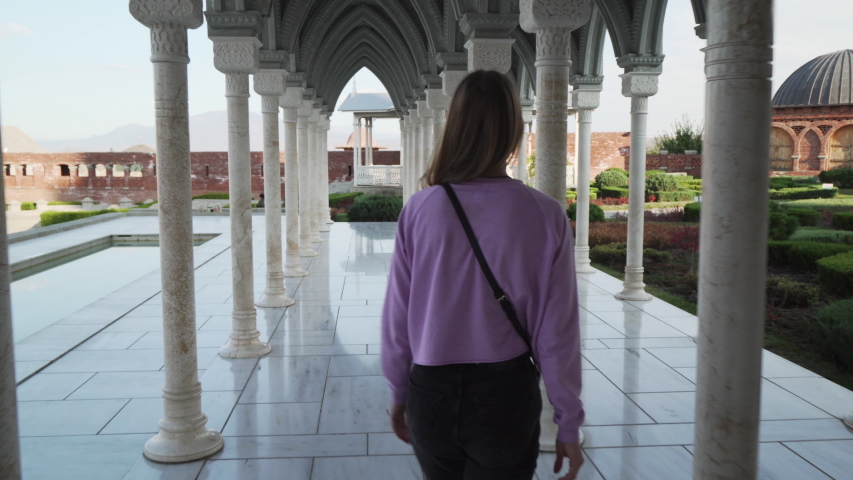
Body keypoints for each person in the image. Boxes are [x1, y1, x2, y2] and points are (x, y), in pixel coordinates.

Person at [381, 70, 585, 480]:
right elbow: (556, 333)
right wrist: (568, 422)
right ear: (514, 130)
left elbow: (398, 318)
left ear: (454, 127)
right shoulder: (544, 215)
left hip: (430, 393)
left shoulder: (420, 209)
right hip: (505, 395)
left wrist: (399, 393)